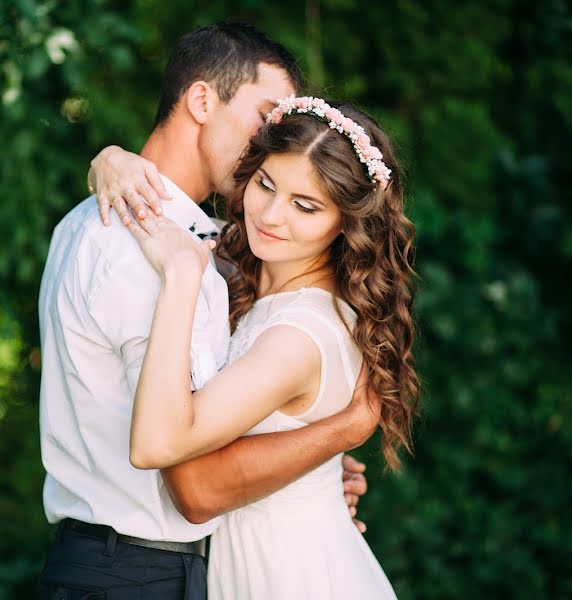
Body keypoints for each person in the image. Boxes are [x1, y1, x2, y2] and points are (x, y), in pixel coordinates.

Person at [37, 24, 377, 600]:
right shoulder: (152, 249)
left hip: (136, 564)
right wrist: (332, 435)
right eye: (264, 115)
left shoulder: (152, 229)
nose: (274, 137)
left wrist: (303, 473)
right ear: (201, 100)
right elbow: (186, 470)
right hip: (136, 572)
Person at [101, 96, 418, 599]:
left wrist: (182, 275)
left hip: (292, 574)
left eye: (306, 206)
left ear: (347, 224)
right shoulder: (254, 278)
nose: (271, 215)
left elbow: (154, 446)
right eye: (266, 184)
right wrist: (110, 159)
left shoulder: (299, 334)